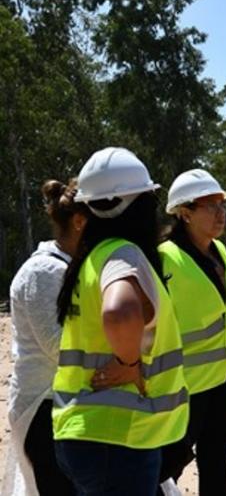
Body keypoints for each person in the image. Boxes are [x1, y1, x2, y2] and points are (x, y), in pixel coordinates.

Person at [51, 147, 189, 495]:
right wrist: (130, 361)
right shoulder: (122, 253)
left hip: (85, 431)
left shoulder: (92, 257)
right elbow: (119, 313)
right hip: (117, 437)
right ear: (138, 205)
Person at [157, 169, 226, 495]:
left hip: (224, 379)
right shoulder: (164, 259)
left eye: (223, 205)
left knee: (216, 468)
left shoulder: (220, 251)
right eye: (211, 206)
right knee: (168, 471)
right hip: (183, 388)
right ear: (185, 212)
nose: (221, 213)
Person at [3, 180, 86, 496]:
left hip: (69, 405)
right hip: (44, 408)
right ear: (80, 222)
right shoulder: (43, 273)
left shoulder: (70, 268)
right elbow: (60, 347)